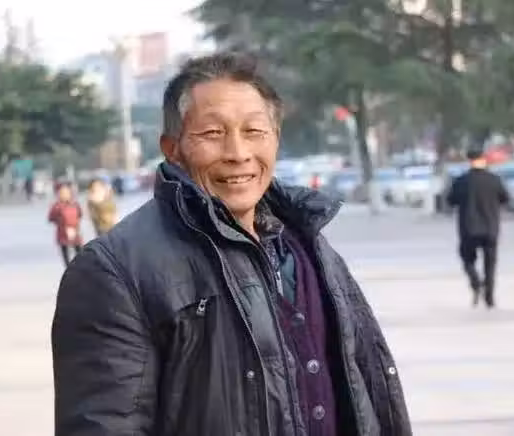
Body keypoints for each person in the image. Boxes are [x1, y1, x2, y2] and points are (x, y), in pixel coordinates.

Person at [52, 53, 411, 436]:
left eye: (254, 131)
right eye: (212, 133)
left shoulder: (311, 248)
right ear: (172, 148)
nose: (238, 154)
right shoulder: (116, 271)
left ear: (275, 140)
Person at [447, 149, 509, 308]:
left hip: (469, 228)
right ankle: (490, 297)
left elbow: (451, 200)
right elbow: (505, 198)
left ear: (469, 160)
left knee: (467, 258)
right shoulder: (494, 180)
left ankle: (476, 282)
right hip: (491, 228)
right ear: (484, 160)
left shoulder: (462, 181)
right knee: (490, 264)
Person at [48, 182, 83, 267]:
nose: (64, 195)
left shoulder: (75, 204)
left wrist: (75, 226)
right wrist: (60, 221)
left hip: (75, 231)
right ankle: (69, 269)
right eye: (62, 193)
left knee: (79, 252)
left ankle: (80, 267)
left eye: (66, 192)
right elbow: (51, 218)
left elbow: (80, 214)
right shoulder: (56, 206)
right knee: (65, 253)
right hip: (62, 232)